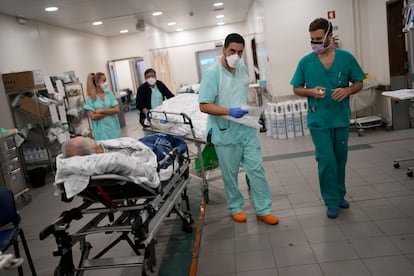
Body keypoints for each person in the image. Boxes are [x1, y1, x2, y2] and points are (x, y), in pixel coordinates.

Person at [198, 33, 278, 225]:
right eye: (232, 51)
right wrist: (228, 111)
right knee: (230, 174)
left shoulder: (242, 69)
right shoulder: (212, 74)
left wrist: (246, 109)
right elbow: (204, 105)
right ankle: (235, 207)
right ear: (224, 50)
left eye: (240, 52)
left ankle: (263, 209)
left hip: (246, 128)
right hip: (225, 131)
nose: (236, 55)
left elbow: (237, 94)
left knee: (256, 170)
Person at [290, 18, 365, 219]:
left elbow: (359, 82)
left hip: (340, 118)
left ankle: (340, 194)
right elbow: (296, 88)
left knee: (340, 160)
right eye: (311, 40)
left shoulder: (345, 58)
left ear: (330, 36)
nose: (315, 44)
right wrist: (311, 92)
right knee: (326, 160)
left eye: (318, 39)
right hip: (318, 120)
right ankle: (331, 200)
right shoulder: (306, 62)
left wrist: (348, 90)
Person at [84, 72, 121, 140]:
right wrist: (110, 111)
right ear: (97, 82)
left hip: (114, 129)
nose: (106, 82)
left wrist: (102, 111)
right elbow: (93, 116)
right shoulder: (90, 98)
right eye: (104, 80)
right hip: (101, 132)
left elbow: (117, 109)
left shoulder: (109, 94)